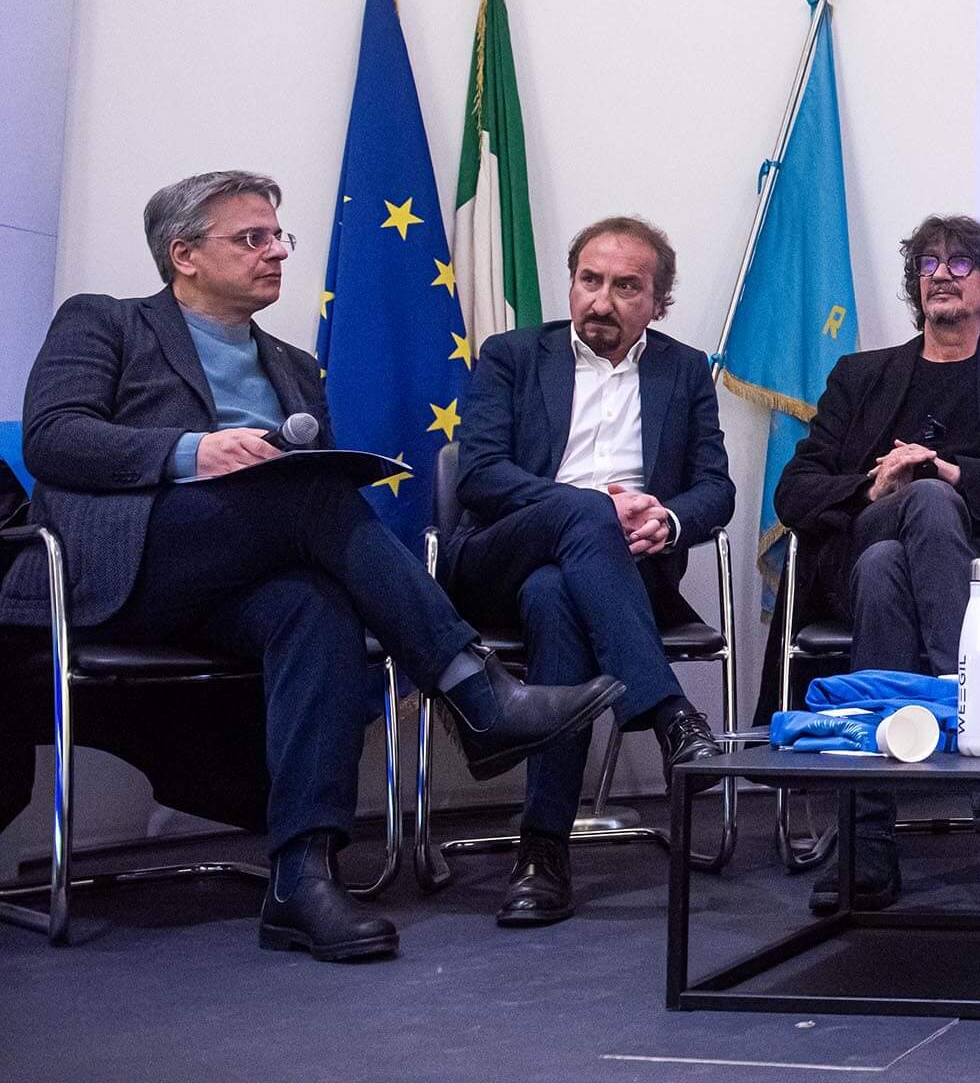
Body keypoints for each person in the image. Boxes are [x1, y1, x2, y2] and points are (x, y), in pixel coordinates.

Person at [0, 171, 623, 961]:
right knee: (314, 495)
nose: (276, 252)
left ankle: (302, 878)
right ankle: (476, 691)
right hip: (124, 566)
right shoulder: (104, 321)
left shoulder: (295, 365)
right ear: (184, 254)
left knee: (315, 607)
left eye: (278, 236)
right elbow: (54, 438)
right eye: (252, 238)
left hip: (238, 580)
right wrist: (192, 452)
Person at [773, 215, 980, 913]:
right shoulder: (861, 376)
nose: (941, 274)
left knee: (889, 566)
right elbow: (793, 493)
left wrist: (954, 474)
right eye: (927, 263)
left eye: (959, 263)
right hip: (872, 530)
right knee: (915, 505)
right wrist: (874, 487)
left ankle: (867, 839)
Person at [448, 215, 736, 927]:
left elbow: (714, 488)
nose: (602, 301)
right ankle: (669, 713)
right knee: (581, 518)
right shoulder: (513, 356)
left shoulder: (683, 370)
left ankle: (542, 853)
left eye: (626, 287)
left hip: (611, 577)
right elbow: (479, 474)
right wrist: (595, 509)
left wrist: (666, 520)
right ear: (571, 283)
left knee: (557, 598)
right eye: (590, 280)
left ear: (658, 302)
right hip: (500, 558)